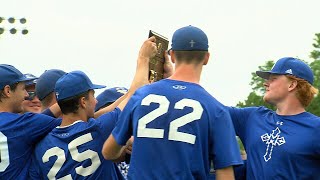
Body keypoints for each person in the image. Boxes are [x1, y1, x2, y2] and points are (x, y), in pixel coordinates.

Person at [102, 25, 243, 180]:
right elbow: (226, 176)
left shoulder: (141, 95)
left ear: (173, 55)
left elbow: (109, 152)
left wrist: (129, 144)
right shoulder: (217, 109)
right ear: (207, 58)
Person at [28, 36, 157, 179]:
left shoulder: (41, 144)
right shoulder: (98, 130)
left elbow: (112, 107)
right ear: (83, 102)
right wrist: (143, 58)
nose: (96, 101)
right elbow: (137, 92)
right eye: (92, 96)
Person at [227, 57, 320, 179]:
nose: (265, 83)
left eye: (273, 79)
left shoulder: (316, 128)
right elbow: (211, 110)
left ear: (292, 85)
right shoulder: (252, 117)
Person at [0, 64, 61, 179]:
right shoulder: (22, 123)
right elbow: (71, 122)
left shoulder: (22, 123)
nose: (26, 94)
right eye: (23, 89)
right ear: (8, 91)